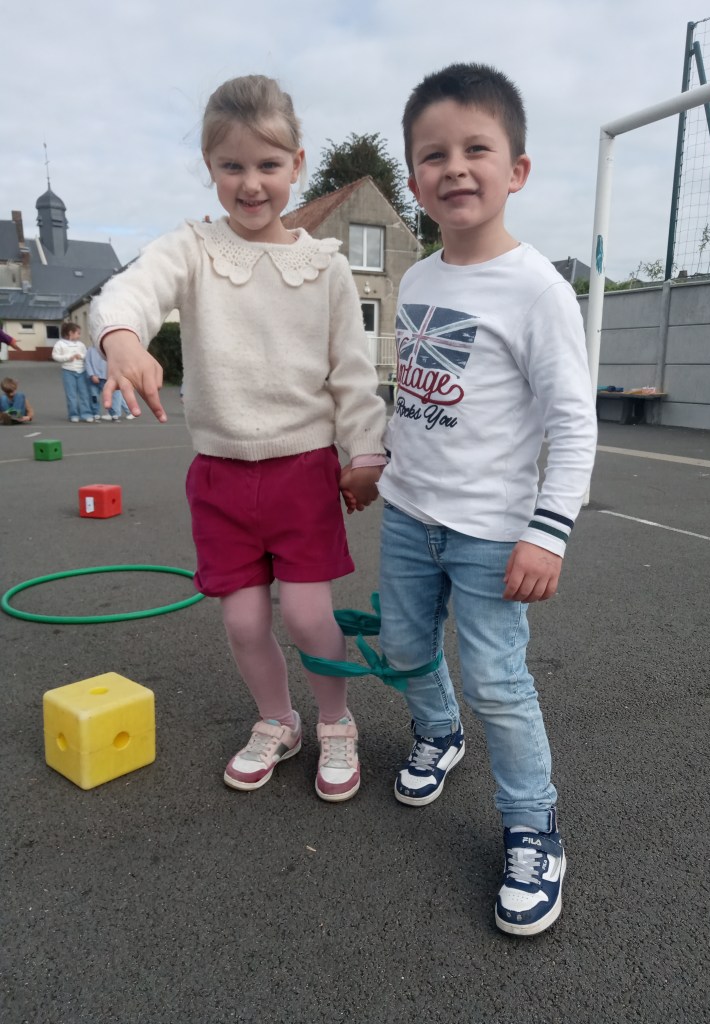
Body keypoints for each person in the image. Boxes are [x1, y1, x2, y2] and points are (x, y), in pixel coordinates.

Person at [90, 74, 386, 803]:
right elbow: (129, 290)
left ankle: (336, 720)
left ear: (297, 164)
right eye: (232, 166)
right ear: (210, 166)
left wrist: (365, 453)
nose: (251, 183)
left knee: (309, 614)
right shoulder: (193, 248)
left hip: (302, 471)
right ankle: (277, 719)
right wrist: (123, 338)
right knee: (245, 620)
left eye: (268, 165)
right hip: (222, 476)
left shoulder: (325, 266)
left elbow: (352, 372)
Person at [362, 63, 598, 936]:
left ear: (517, 170)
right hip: (408, 514)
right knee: (404, 647)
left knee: (497, 681)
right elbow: (418, 396)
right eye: (433, 155)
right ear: (414, 177)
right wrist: (378, 459)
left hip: (495, 534)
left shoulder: (537, 290)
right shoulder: (418, 281)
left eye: (476, 149)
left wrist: (549, 532)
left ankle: (533, 826)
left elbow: (573, 424)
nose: (454, 167)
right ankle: (438, 731)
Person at [52, 322, 93, 422]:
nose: (79, 335)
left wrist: (81, 356)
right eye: (78, 333)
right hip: (68, 372)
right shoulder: (60, 344)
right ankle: (73, 414)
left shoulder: (81, 344)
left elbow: (86, 355)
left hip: (81, 372)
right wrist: (67, 358)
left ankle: (86, 414)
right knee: (71, 394)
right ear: (71, 333)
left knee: (84, 394)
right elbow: (55, 356)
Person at [84, 344, 133, 421]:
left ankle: (116, 413)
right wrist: (92, 374)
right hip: (96, 377)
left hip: (109, 377)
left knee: (114, 396)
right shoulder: (91, 349)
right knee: (96, 396)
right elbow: (87, 362)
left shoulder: (110, 348)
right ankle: (98, 413)